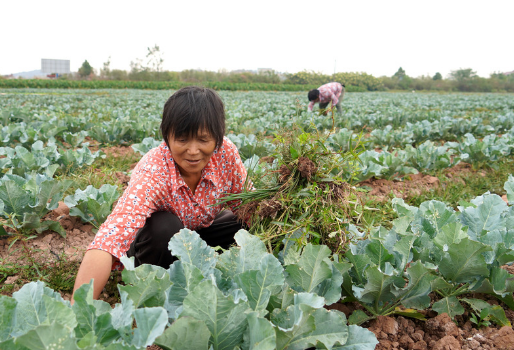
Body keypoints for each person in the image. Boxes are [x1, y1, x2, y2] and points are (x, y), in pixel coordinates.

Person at [72, 86, 250, 301]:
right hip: (155, 244)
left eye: (203, 140)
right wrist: (78, 308)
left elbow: (247, 205)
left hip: (198, 234)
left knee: (244, 222)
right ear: (167, 137)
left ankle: (203, 264)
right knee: (165, 225)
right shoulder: (154, 171)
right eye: (182, 140)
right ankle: (154, 285)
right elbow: (110, 238)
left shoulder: (226, 154)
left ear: (218, 138)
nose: (193, 151)